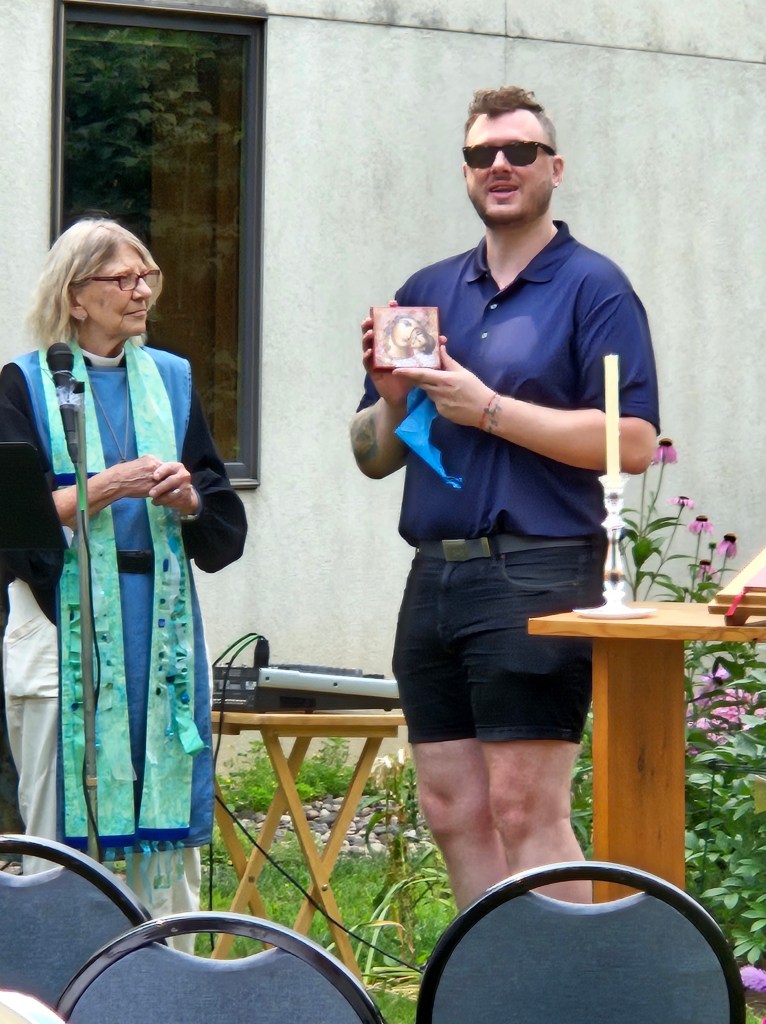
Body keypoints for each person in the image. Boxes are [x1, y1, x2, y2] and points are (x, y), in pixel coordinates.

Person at [350, 87, 660, 908]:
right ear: (464, 172)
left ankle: (564, 993)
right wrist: (389, 396)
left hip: (541, 569)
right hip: (435, 575)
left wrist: (486, 407)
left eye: (519, 153)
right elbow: (373, 458)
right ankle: (490, 990)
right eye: (482, 154)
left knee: (527, 809)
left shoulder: (594, 287)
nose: (500, 166)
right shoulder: (427, 288)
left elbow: (633, 443)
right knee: (452, 809)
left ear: (553, 169)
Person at [0, 218, 247, 932]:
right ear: (75, 298)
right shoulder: (23, 383)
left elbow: (222, 522)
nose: (141, 291)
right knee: (61, 832)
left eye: (149, 276)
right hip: (59, 630)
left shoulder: (171, 379)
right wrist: (104, 487)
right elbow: (13, 524)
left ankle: (163, 980)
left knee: (163, 842)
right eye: (122, 279)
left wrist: (189, 498)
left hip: (159, 628)